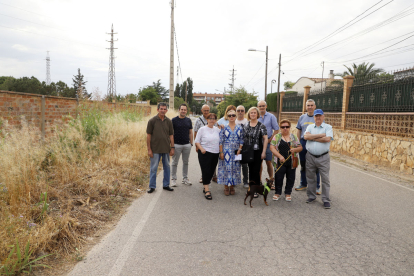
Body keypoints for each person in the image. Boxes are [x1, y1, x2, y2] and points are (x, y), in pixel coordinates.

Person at [304, 109, 333, 209]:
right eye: (316, 116)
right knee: (311, 177)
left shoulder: (328, 127)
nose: (318, 118)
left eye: (320, 116)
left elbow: (327, 139)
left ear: (323, 117)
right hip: (310, 156)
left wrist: (312, 137)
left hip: (323, 157)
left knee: (325, 179)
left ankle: (325, 200)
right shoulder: (310, 126)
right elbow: (305, 137)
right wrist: (320, 135)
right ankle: (311, 196)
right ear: (314, 117)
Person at [270, 119, 302, 201]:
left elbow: (300, 147)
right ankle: (277, 193)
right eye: (283, 127)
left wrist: (295, 150)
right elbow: (272, 148)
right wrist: (280, 156)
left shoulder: (294, 137)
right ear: (280, 128)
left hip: (291, 162)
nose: (285, 128)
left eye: (287, 127)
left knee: (291, 178)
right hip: (279, 161)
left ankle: (288, 193)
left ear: (290, 127)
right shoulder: (276, 137)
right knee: (278, 177)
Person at [146, 102, 175, 193]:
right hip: (155, 149)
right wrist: (149, 149)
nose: (163, 110)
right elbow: (148, 136)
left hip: (166, 149)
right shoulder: (152, 121)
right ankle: (152, 186)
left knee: (167, 167)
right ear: (158, 109)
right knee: (153, 168)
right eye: (161, 109)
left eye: (164, 109)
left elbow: (171, 135)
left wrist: (172, 147)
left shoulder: (169, 121)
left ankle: (166, 185)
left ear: (166, 110)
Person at [295, 99, 321, 194]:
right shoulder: (302, 117)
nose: (310, 107)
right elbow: (299, 130)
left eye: (311, 105)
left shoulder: (318, 117)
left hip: (314, 143)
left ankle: (317, 187)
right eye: (308, 105)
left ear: (314, 106)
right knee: (303, 165)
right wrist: (298, 143)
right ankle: (303, 184)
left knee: (315, 166)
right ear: (305, 107)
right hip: (303, 143)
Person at [194, 113, 221, 200]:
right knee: (205, 171)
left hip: (215, 153)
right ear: (207, 120)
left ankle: (205, 185)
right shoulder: (202, 129)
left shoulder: (218, 130)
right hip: (204, 153)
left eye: (213, 118)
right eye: (210, 118)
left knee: (211, 171)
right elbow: (197, 141)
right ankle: (207, 190)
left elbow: (221, 141)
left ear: (216, 120)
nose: (212, 120)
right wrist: (201, 149)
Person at [218, 108, 244, 196]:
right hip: (226, 152)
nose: (231, 117)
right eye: (230, 115)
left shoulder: (240, 128)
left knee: (235, 169)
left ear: (236, 116)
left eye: (233, 115)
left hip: (236, 152)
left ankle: (232, 186)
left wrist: (240, 150)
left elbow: (242, 140)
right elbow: (220, 141)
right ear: (227, 117)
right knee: (225, 168)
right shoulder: (224, 128)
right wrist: (221, 152)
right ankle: (226, 186)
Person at [243, 107, 268, 188]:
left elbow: (265, 139)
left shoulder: (261, 126)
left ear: (257, 114)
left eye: (254, 113)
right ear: (249, 114)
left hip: (258, 151)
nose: (253, 114)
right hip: (249, 151)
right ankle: (251, 186)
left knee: (256, 169)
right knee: (250, 169)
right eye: (251, 113)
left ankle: (256, 187)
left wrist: (264, 152)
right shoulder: (246, 124)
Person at [194, 105, 218, 183]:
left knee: (212, 162)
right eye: (205, 110)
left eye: (207, 110)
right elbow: (195, 132)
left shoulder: (213, 120)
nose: (206, 112)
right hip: (202, 146)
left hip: (212, 146)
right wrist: (197, 146)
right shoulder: (198, 120)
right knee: (204, 163)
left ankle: (213, 176)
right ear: (202, 110)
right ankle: (203, 177)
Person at [257, 100, 279, 186]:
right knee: (259, 163)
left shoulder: (271, 116)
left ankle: (271, 179)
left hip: (269, 142)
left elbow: (276, 129)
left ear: (266, 106)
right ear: (258, 107)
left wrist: (270, 139)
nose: (261, 107)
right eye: (260, 106)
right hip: (258, 144)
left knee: (269, 162)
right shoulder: (255, 116)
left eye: (263, 106)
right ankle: (259, 180)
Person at [171, 103, 193, 187]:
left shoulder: (188, 120)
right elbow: (171, 134)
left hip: (186, 145)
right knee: (174, 162)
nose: (183, 111)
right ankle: (173, 179)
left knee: (186, 162)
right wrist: (172, 145)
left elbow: (190, 132)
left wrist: (191, 143)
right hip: (176, 145)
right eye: (182, 109)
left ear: (186, 111)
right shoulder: (173, 120)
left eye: (185, 110)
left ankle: (185, 178)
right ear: (179, 110)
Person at [235, 105, 249, 189]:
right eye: (238, 110)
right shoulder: (233, 121)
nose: (240, 112)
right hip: (236, 147)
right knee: (236, 164)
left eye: (242, 110)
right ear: (236, 111)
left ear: (244, 112)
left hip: (245, 148)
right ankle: (236, 180)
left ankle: (245, 181)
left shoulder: (248, 122)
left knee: (244, 165)